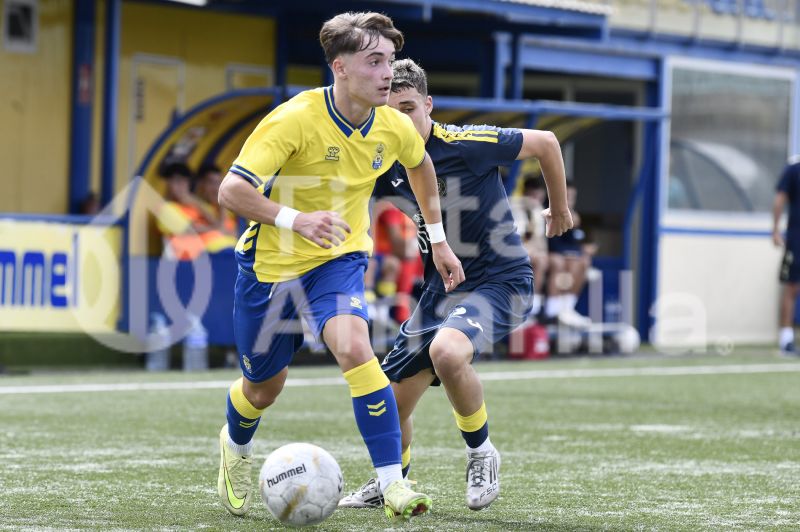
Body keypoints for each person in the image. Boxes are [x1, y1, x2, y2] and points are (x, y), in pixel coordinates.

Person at [214, 13, 464, 522]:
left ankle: (392, 484)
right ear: (341, 67)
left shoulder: (393, 125)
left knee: (355, 348)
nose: (386, 73)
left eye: (389, 61)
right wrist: (297, 219)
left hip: (340, 258)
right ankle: (234, 447)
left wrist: (438, 240)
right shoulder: (293, 119)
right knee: (264, 388)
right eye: (374, 61)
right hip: (271, 268)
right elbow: (231, 191)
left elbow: (420, 164)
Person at [338, 59, 572, 511]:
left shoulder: (465, 144)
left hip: (501, 280)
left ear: (428, 105)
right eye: (390, 111)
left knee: (447, 352)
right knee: (388, 405)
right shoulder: (383, 161)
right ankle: (390, 481)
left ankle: (481, 452)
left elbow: (546, 142)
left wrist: (558, 208)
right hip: (441, 290)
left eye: (409, 108)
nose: (401, 119)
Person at [543, 180, 596, 327]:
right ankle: (552, 311)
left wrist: (582, 246)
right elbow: (552, 243)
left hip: (565, 255)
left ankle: (567, 309)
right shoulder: (548, 212)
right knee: (563, 262)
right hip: (552, 254)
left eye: (573, 197)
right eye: (567, 196)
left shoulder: (575, 216)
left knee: (583, 262)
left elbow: (577, 243)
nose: (570, 200)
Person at [773, 157, 800, 355]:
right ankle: (786, 339)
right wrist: (775, 229)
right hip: (796, 238)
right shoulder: (794, 169)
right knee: (792, 286)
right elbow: (780, 198)